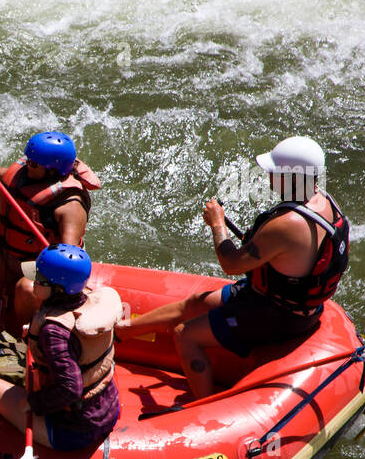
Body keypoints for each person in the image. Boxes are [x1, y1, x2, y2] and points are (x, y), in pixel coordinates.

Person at [116, 136, 349, 398]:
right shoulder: (327, 203)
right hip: (287, 303)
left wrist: (217, 224)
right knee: (195, 303)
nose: (269, 178)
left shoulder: (287, 224)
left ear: (289, 178)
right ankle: (122, 333)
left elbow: (231, 264)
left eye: (273, 173)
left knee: (186, 335)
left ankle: (201, 406)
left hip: (277, 316)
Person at [0, 244, 121, 452]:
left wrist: (33, 403)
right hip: (106, 410)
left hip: (72, 429)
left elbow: (71, 388)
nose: (33, 281)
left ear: (58, 289)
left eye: (40, 279)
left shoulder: (54, 332)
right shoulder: (88, 301)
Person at [0, 131, 101, 319]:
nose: (26, 165)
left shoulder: (70, 205)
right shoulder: (26, 173)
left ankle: (25, 341)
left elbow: (69, 256)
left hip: (39, 264)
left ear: (52, 171)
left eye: (33, 164)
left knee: (25, 288)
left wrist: (45, 276)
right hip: (4, 250)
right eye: (27, 159)